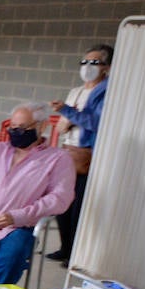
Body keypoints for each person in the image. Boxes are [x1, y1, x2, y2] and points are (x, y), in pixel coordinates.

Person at [0, 102, 75, 285]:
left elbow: (60, 198)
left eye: (22, 127)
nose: (16, 131)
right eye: (12, 127)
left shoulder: (57, 158)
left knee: (13, 258)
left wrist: (18, 216)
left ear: (42, 126)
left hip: (18, 228)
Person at [48, 43, 112, 263]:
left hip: (87, 155)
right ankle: (65, 247)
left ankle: (75, 253)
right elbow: (63, 125)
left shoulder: (105, 92)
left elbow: (95, 122)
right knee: (62, 203)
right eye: (84, 62)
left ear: (106, 67)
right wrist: (68, 117)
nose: (88, 66)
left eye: (94, 62)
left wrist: (68, 112)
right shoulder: (76, 91)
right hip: (68, 151)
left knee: (79, 208)